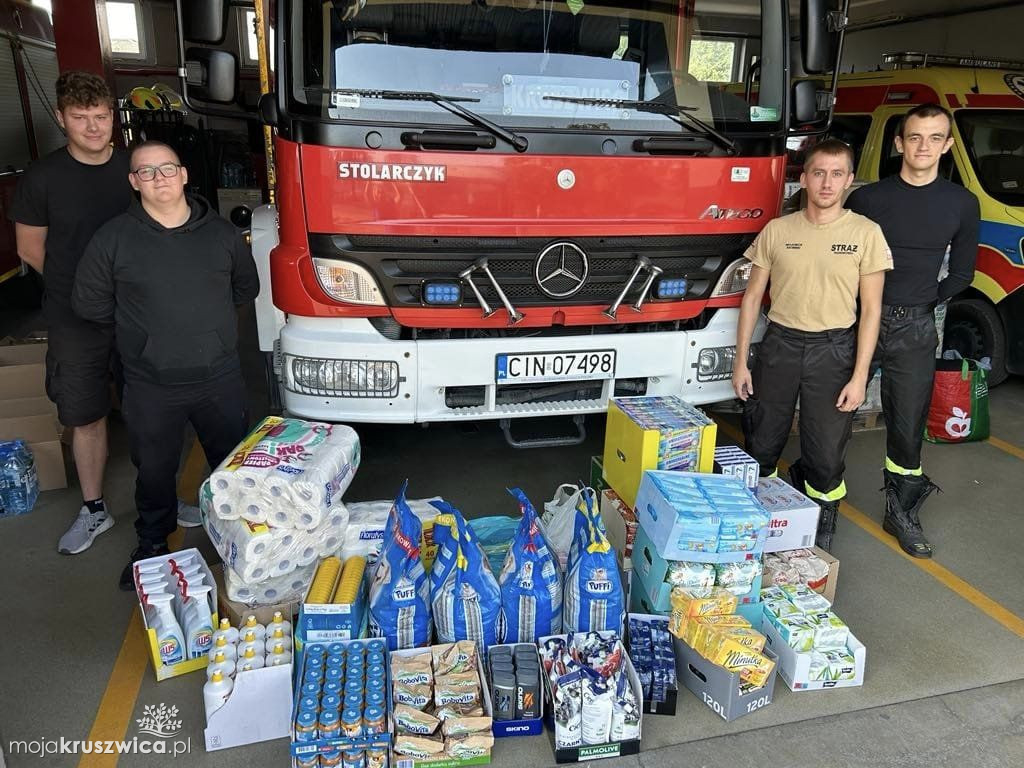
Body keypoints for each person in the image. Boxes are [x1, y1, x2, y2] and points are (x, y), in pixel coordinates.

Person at [72, 140, 260, 589]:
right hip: (151, 382)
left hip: (219, 378)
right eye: (147, 172)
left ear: (184, 175)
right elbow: (90, 304)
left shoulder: (221, 235)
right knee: (154, 473)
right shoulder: (114, 238)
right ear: (134, 182)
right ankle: (152, 546)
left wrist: (206, 334)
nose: (159, 178)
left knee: (235, 470)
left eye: (167, 169)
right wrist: (148, 338)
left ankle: (246, 549)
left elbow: (244, 288)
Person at [732, 139, 891, 551]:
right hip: (780, 344)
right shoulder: (778, 230)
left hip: (834, 349)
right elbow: (752, 298)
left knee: (825, 450)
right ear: (802, 179)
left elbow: (871, 310)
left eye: (837, 174)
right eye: (818, 172)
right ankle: (760, 519)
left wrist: (859, 377)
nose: (826, 182)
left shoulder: (865, 233)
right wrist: (740, 361)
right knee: (763, 438)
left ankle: (821, 527)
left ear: (849, 181)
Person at [846, 104, 980, 559]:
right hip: (857, 319)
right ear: (900, 143)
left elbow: (962, 273)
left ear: (947, 146)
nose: (924, 146)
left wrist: (924, 299)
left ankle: (900, 511)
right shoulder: (867, 200)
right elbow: (842, 258)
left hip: (917, 326)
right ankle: (818, 505)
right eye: (915, 137)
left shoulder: (961, 203)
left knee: (907, 423)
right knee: (832, 411)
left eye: (934, 138)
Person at [9, 71, 131, 554]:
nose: (93, 127)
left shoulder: (133, 171)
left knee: (147, 406)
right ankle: (95, 509)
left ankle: (160, 499)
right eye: (80, 118)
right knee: (85, 413)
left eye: (100, 116)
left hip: (137, 313)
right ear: (61, 119)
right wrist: (84, 289)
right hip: (73, 316)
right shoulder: (42, 177)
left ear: (112, 118)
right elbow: (30, 247)